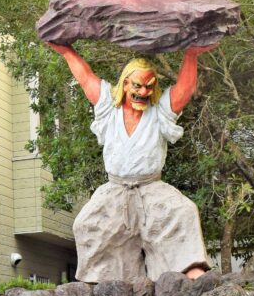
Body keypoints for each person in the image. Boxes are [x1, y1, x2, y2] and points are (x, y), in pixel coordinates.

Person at [48, 42, 216, 283]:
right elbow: (86, 77)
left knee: (184, 211)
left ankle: (186, 271)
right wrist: (67, 51)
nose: (143, 92)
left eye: (150, 86)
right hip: (115, 190)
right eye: (137, 85)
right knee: (87, 224)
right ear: (125, 84)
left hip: (152, 189)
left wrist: (191, 55)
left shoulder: (160, 112)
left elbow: (184, 89)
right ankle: (102, 280)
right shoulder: (108, 108)